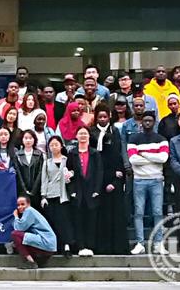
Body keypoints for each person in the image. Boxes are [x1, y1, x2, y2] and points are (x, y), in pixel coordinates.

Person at [90, 105, 128, 255]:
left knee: (116, 213)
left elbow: (118, 152)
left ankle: (118, 247)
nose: (103, 119)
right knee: (101, 214)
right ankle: (102, 247)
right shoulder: (92, 132)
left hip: (114, 175)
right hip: (98, 176)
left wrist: (119, 172)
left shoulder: (115, 131)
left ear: (109, 117)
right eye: (100, 117)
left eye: (105, 117)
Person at [66, 126, 102, 257]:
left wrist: (97, 189)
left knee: (91, 221)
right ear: (76, 136)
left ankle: (90, 246)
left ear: (89, 136)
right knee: (78, 220)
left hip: (91, 191)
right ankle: (80, 246)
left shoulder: (95, 153)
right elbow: (68, 173)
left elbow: (99, 172)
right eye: (80, 133)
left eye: (85, 133)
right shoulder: (72, 154)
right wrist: (72, 191)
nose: (83, 136)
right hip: (77, 192)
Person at [40, 135, 74, 258]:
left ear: (61, 146)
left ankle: (67, 245)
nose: (54, 147)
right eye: (51, 145)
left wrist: (70, 175)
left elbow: (73, 172)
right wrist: (43, 196)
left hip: (64, 194)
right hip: (51, 195)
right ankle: (55, 246)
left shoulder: (67, 160)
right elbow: (44, 180)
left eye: (56, 144)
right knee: (53, 221)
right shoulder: (47, 162)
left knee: (65, 221)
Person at [11, 196, 57, 269]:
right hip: (49, 247)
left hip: (45, 242)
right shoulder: (31, 212)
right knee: (19, 242)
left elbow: (19, 228)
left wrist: (16, 216)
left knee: (15, 234)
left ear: (28, 204)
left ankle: (31, 262)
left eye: (23, 204)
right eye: (18, 205)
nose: (20, 207)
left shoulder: (29, 210)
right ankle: (34, 261)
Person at [15, 130, 43, 206]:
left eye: (30, 138)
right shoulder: (17, 155)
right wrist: (24, 189)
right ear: (22, 140)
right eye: (26, 138)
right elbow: (18, 174)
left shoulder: (39, 154)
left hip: (37, 191)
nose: (28, 140)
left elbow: (40, 172)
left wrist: (34, 189)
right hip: (22, 191)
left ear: (34, 139)